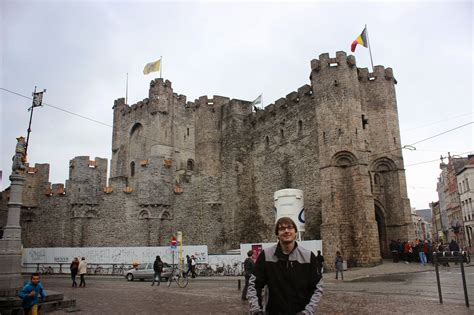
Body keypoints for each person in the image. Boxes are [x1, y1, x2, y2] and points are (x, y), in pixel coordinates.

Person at [247, 217, 323, 314]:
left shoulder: (308, 256)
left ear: (295, 232)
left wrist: (307, 312)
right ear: (277, 234)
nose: (286, 231)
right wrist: (256, 310)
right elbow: (254, 284)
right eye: (282, 229)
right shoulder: (266, 256)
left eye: (290, 227)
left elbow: (317, 287)